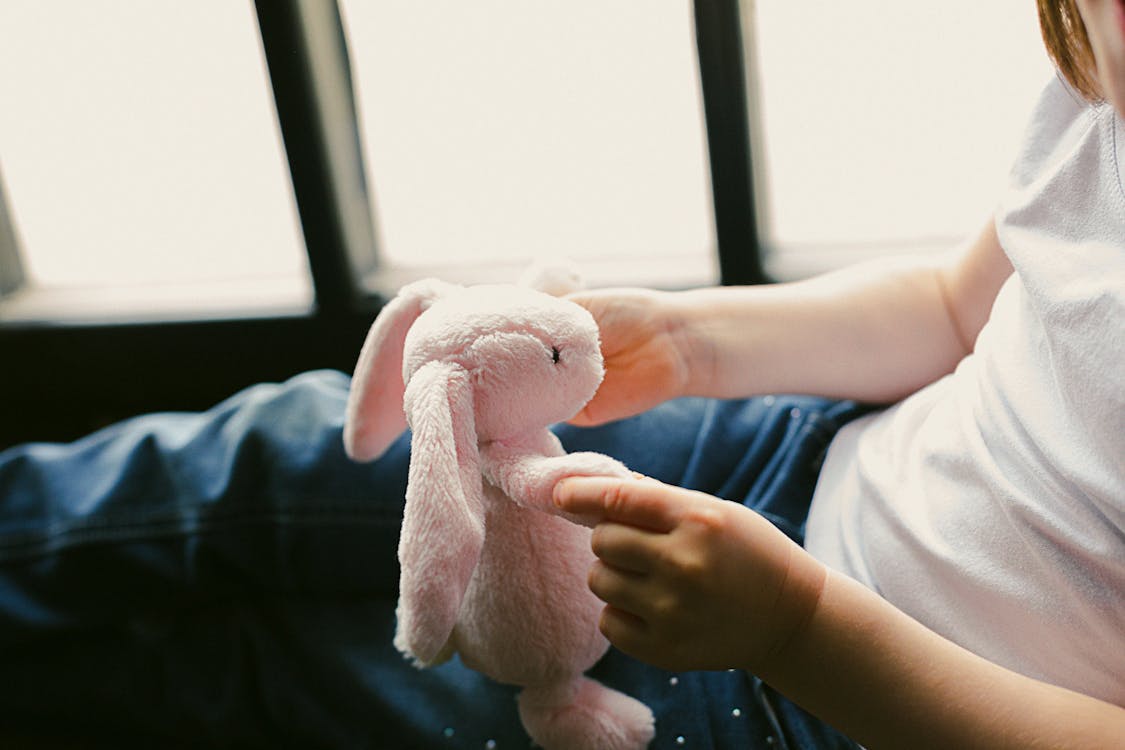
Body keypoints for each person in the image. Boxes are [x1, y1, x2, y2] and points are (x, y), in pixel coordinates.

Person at [0, 0, 1122, 747]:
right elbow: (950, 310)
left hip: (831, 695)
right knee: (281, 459)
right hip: (805, 451)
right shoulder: (1101, 98)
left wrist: (794, 627)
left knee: (302, 682)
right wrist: (695, 345)